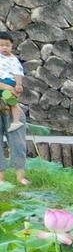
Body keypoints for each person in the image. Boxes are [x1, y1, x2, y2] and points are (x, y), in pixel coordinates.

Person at [0, 33, 26, 186]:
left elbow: (18, 77)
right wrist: (6, 86)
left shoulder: (13, 60)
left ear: (11, 45)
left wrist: (16, 86)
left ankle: (20, 177)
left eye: (7, 45)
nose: (4, 48)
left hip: (10, 101)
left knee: (17, 141)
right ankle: (1, 179)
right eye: (1, 45)